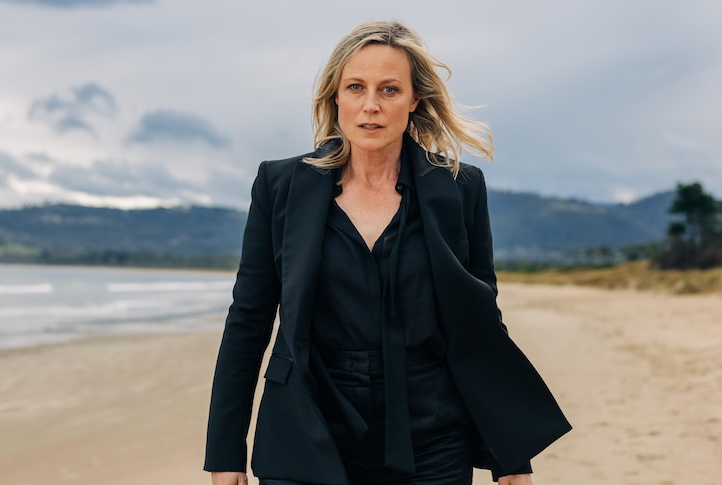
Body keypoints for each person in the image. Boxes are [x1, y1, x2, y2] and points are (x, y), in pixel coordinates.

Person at [204, 20, 570, 485]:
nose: (371, 106)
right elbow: (248, 319)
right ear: (335, 96)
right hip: (306, 424)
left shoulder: (460, 189)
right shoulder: (280, 186)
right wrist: (225, 451)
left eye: (389, 89)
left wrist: (512, 459)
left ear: (414, 100)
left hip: (432, 436)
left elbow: (481, 326)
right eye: (356, 87)